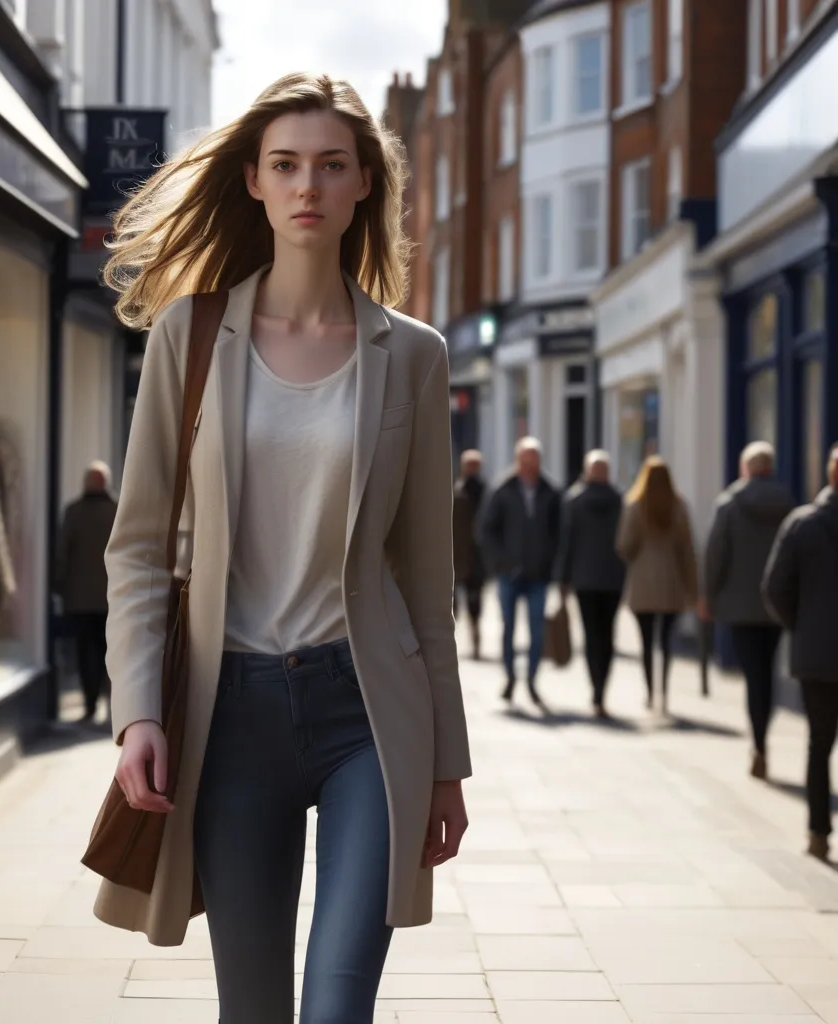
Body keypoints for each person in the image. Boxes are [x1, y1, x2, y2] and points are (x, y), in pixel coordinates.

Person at [93, 73, 472, 1022]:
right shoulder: (190, 334)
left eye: (332, 166)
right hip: (232, 718)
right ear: (255, 182)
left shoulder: (415, 356)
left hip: (369, 716)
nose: (309, 185)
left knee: (337, 1008)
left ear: (363, 187)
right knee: (254, 1009)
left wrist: (447, 763)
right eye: (286, 165)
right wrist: (139, 709)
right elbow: (138, 546)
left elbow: (428, 580)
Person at [762, 443, 838, 863]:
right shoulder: (800, 524)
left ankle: (818, 832)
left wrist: (800, 626)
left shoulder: (801, 524)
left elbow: (774, 588)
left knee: (819, 743)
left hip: (816, 653)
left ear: (830, 475)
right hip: (817, 649)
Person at [702, 441, 794, 779]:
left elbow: (716, 555)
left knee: (752, 674)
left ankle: (758, 741)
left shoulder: (729, 504)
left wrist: (708, 596)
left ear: (746, 468)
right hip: (777, 606)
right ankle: (762, 735)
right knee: (766, 673)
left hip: (739, 605)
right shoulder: (789, 504)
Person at [479, 437, 560, 707]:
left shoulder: (550, 491)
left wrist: (552, 565)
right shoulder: (503, 489)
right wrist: (501, 562)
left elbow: (559, 534)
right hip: (509, 574)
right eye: (525, 461)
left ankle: (532, 680)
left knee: (537, 631)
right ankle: (510, 676)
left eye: (533, 461)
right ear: (518, 460)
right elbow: (485, 530)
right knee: (509, 627)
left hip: (538, 575)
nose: (529, 466)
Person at [616, 456, 698, 714]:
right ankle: (664, 691)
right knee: (666, 641)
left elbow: (623, 546)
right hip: (671, 583)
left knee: (646, 641)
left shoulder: (635, 505)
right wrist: (692, 587)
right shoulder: (679, 506)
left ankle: (650, 691)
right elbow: (687, 549)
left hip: (642, 583)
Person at [554, 450, 625, 718]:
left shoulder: (574, 500)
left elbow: (566, 542)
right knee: (608, 635)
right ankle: (601, 687)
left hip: (584, 579)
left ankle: (596, 688)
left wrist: (562, 577)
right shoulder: (620, 500)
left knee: (591, 635)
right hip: (613, 578)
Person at [53, 462, 117, 724]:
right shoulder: (116, 512)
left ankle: (90, 705)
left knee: (85, 653)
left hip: (79, 599)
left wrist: (59, 585)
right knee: (110, 652)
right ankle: (110, 704)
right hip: (112, 598)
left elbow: (61, 553)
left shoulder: (73, 512)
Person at [452, 449, 486, 659]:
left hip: (477, 559)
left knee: (475, 604)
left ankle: (475, 641)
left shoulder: (487, 492)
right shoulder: (454, 492)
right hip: (455, 557)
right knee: (452, 606)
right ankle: (451, 644)